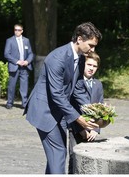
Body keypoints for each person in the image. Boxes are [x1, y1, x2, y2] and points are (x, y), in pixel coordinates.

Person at [23, 22, 102, 174]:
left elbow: (77, 89)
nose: (93, 50)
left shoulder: (79, 58)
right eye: (91, 45)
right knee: (59, 153)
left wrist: (95, 112)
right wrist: (79, 118)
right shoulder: (57, 58)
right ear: (79, 39)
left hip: (59, 111)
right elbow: (57, 94)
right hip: (44, 111)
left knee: (57, 155)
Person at [68, 51, 104, 174]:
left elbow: (101, 109)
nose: (91, 68)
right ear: (83, 65)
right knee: (74, 159)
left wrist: (96, 129)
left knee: (89, 161)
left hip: (92, 130)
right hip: (76, 128)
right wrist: (81, 129)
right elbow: (71, 108)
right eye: (89, 65)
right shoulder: (76, 82)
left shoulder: (98, 84)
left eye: (94, 66)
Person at [4, 24, 34, 109]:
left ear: (22, 31)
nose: (17, 31)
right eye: (15, 30)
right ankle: (10, 103)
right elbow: (6, 54)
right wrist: (17, 61)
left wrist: (27, 61)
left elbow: (31, 53)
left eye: (18, 30)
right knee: (11, 86)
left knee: (24, 86)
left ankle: (24, 104)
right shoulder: (9, 40)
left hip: (24, 67)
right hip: (14, 66)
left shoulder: (26, 40)